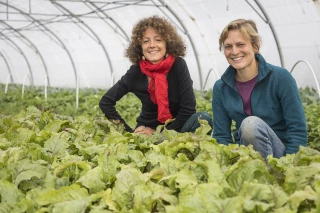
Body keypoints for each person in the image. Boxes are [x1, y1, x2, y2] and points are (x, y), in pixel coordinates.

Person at [99, 15, 212, 136]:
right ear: (140, 47)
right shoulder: (136, 71)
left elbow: (188, 109)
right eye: (146, 41)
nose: (152, 45)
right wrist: (129, 132)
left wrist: (160, 134)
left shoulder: (178, 65)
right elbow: (106, 102)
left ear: (167, 44)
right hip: (146, 131)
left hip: (176, 129)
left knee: (203, 118)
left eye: (158, 40)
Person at [212, 18, 307, 159]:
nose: (234, 51)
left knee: (251, 125)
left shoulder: (280, 78)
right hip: (246, 157)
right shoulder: (221, 87)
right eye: (228, 47)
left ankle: (269, 174)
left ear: (255, 46)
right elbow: (221, 136)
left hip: (280, 156)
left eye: (240, 44)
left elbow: (297, 130)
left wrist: (289, 167)